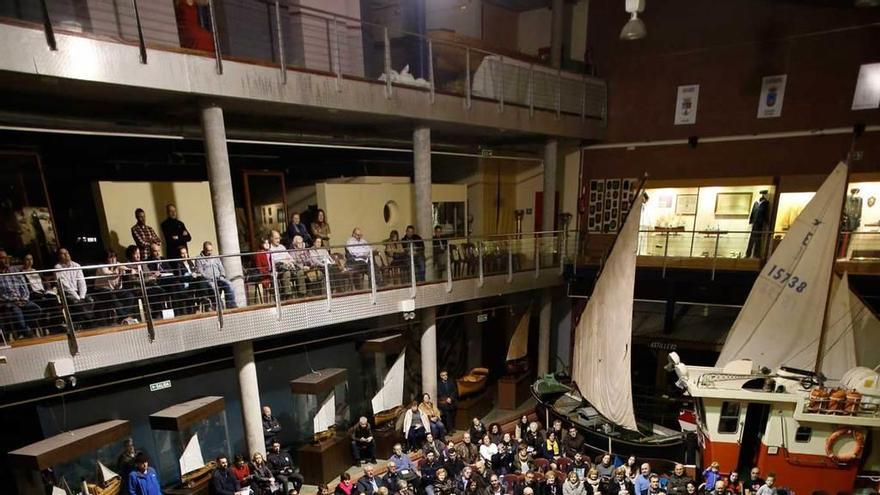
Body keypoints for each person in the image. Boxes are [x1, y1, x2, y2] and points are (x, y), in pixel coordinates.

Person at [0, 248, 42, 339]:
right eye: (3, 258)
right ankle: (27, 333)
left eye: (7, 257)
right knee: (16, 312)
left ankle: (22, 330)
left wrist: (24, 298)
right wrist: (14, 300)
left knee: (36, 309)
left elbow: (24, 287)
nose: (6, 259)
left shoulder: (15, 270)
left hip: (22, 300)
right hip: (8, 302)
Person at [93, 250, 138, 324]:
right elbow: (110, 276)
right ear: (105, 259)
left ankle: (122, 317)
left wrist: (129, 270)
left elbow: (127, 269)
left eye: (115, 257)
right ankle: (125, 317)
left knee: (130, 296)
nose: (113, 259)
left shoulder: (118, 264)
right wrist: (118, 273)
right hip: (102, 290)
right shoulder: (102, 266)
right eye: (110, 257)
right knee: (113, 298)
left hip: (115, 289)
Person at [55, 247, 94, 327]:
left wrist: (82, 296)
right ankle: (88, 321)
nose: (66, 255)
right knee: (76, 302)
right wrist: (77, 297)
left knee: (90, 300)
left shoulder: (76, 265)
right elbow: (65, 286)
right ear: (59, 256)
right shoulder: (57, 267)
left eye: (67, 252)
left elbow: (81, 282)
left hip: (79, 292)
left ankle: (85, 321)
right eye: (63, 253)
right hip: (67, 293)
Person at [195, 241, 238, 308]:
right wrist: (210, 278)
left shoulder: (215, 257)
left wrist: (222, 275)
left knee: (229, 284)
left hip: (219, 278)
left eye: (211, 250)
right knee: (214, 288)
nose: (210, 252)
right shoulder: (199, 259)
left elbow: (221, 268)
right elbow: (200, 272)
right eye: (208, 250)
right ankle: (219, 307)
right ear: (204, 249)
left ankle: (231, 305)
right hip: (209, 280)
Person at [174, 246, 213, 312]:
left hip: (194, 282)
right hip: (187, 283)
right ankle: (205, 301)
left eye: (186, 253)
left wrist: (197, 274)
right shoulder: (178, 264)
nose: (185, 255)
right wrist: (191, 276)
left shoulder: (190, 262)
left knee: (202, 279)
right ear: (179, 255)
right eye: (182, 253)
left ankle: (204, 300)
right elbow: (180, 278)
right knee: (202, 281)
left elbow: (195, 271)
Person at [746, 190, 770, 258]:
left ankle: (756, 254)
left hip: (760, 223)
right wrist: (751, 220)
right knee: (752, 238)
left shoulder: (765, 203)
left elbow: (766, 214)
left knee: (758, 239)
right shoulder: (756, 203)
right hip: (755, 222)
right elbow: (753, 212)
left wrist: (766, 222)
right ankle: (748, 254)